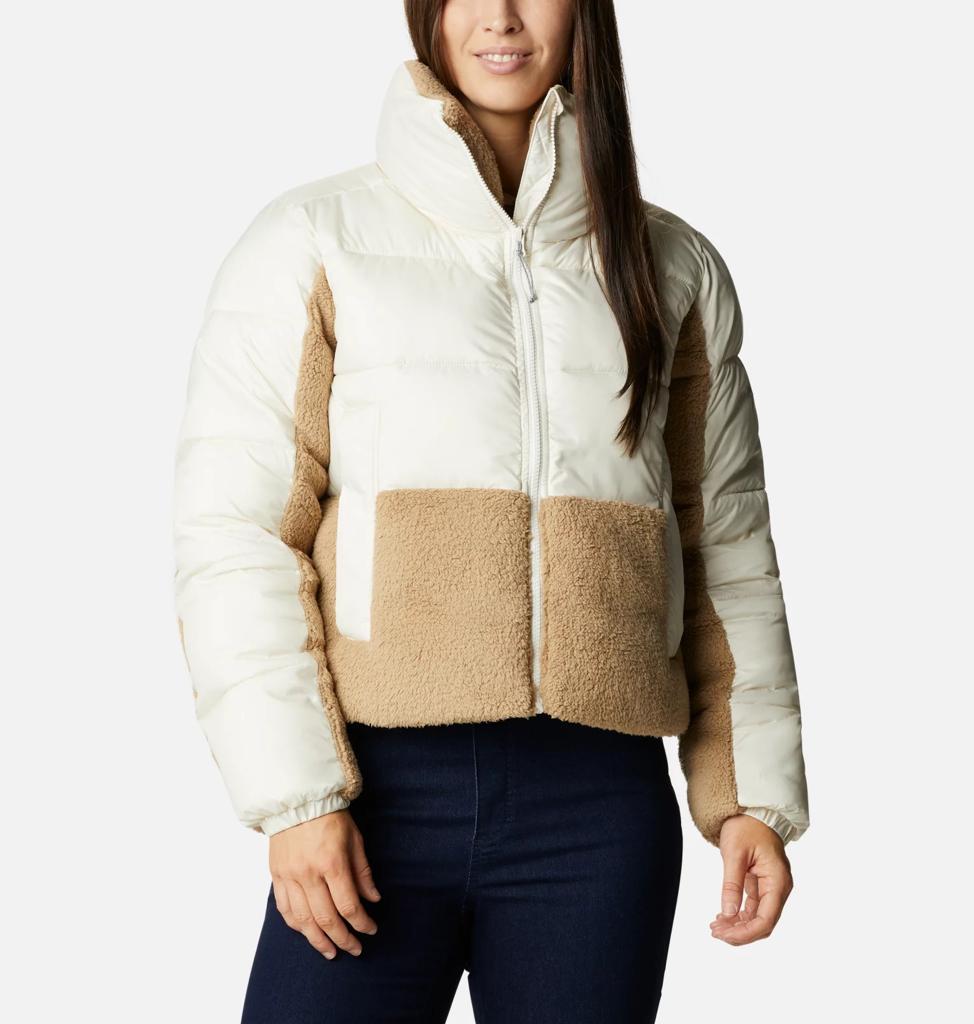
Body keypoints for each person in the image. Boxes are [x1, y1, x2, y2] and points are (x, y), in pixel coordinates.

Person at [172, 2, 810, 1021]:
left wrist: (748, 796)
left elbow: (725, 541)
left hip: (598, 814)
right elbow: (239, 536)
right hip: (372, 795)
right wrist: (295, 798)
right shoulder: (314, 242)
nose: (500, 17)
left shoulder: (672, 266)